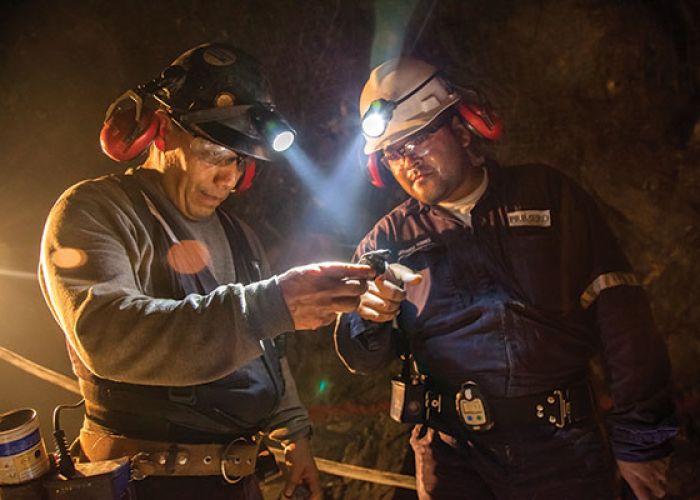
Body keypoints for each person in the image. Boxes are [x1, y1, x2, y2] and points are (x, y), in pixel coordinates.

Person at [39, 42, 374, 500]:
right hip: (143, 482)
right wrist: (268, 305)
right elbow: (108, 336)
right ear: (159, 133)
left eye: (240, 160)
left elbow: (267, 351)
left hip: (237, 481)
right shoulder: (95, 211)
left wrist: (293, 435)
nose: (230, 178)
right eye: (216, 152)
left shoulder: (240, 236)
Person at [334, 57, 677, 499]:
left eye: (418, 137)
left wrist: (642, 442)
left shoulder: (549, 198)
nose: (408, 160)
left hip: (564, 452)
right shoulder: (387, 240)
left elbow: (625, 322)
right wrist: (370, 320)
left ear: (462, 127)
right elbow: (359, 357)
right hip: (452, 460)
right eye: (394, 151)